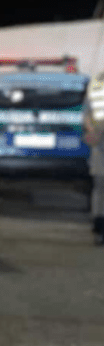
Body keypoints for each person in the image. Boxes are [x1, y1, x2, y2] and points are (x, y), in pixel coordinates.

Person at [82, 69, 104, 245]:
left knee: (100, 189)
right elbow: (87, 116)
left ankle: (99, 228)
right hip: (100, 146)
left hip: (99, 145)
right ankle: (99, 227)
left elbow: (86, 116)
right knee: (100, 189)